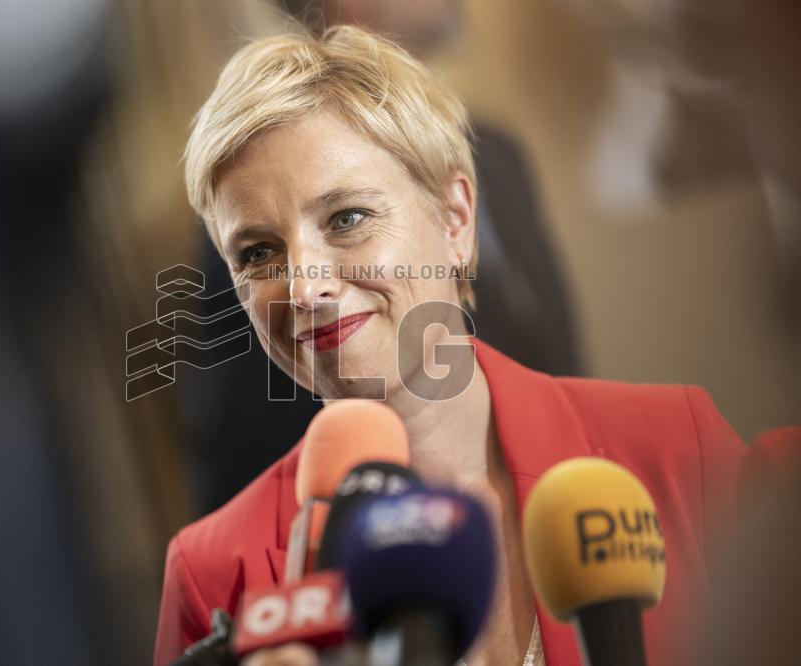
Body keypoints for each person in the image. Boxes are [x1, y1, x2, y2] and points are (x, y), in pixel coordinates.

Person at [155, 25, 746, 666]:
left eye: (347, 218)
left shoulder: (676, 443)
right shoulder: (212, 572)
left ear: (456, 220)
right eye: (259, 252)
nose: (303, 286)